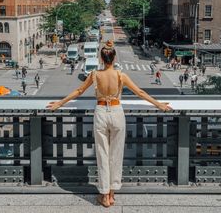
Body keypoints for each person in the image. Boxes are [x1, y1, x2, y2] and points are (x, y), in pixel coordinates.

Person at [47, 40, 172, 208]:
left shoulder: (94, 75)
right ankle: (112, 194)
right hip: (116, 112)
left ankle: (104, 195)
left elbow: (79, 91)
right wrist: (159, 105)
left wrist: (59, 103)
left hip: (100, 112)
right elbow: (140, 92)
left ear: (101, 58)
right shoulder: (121, 75)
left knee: (102, 154)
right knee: (116, 155)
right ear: (114, 58)